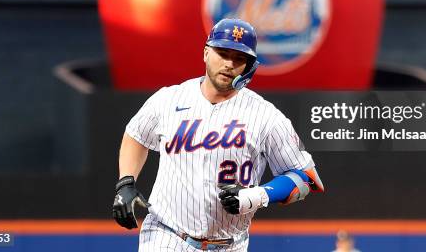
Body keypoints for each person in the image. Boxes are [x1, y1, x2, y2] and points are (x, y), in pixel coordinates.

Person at [112, 18, 324, 251]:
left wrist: (257, 195)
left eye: (239, 58)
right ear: (205, 53)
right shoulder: (168, 99)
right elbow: (135, 135)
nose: (229, 63)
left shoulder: (266, 116)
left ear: (249, 65)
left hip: (229, 244)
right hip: (166, 234)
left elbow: (307, 177)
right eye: (223, 53)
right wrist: (126, 182)